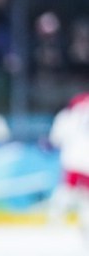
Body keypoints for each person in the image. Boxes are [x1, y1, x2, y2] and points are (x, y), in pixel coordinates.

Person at [47, 92, 89, 238]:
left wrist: (47, 145)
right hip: (84, 161)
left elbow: (54, 140)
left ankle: (54, 217)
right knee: (83, 194)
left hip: (73, 159)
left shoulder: (66, 116)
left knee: (69, 190)